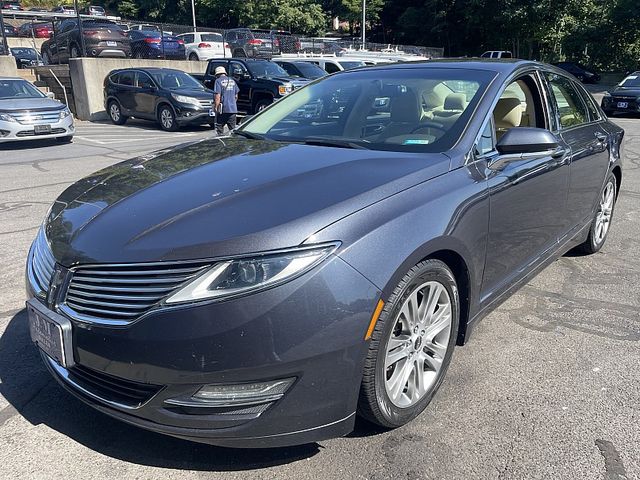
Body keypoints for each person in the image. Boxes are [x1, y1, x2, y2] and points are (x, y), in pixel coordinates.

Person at [212, 66, 239, 135]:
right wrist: (232, 103)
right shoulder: (232, 80)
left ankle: (220, 143)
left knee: (219, 129)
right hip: (233, 109)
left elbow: (217, 96)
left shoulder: (218, 81)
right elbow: (236, 96)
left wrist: (216, 107)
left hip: (223, 109)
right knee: (232, 130)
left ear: (217, 74)